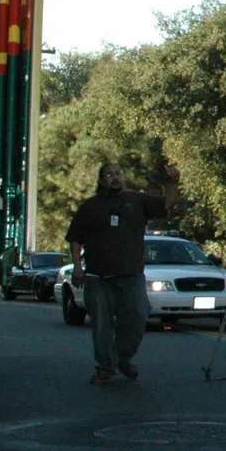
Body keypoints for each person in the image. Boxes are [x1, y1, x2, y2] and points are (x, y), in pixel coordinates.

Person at [66, 163, 169, 384]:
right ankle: (106, 367)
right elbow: (75, 238)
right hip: (97, 278)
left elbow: (167, 204)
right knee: (102, 324)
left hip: (131, 275)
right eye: (110, 174)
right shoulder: (90, 207)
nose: (115, 177)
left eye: (119, 173)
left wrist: (174, 182)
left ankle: (122, 358)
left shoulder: (137, 200)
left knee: (138, 317)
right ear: (101, 180)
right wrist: (77, 267)